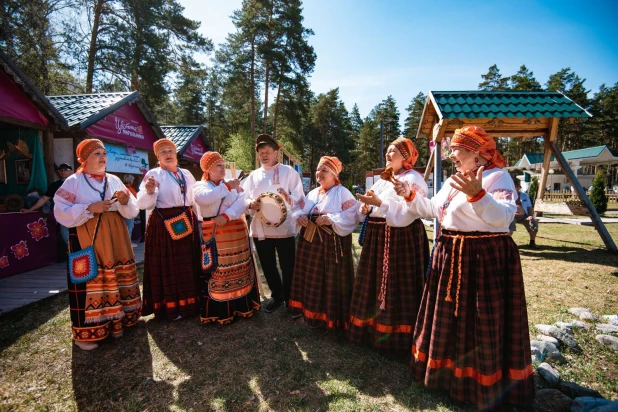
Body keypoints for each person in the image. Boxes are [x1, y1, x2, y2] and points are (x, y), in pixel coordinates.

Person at [391, 126, 534, 410]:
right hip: (450, 252)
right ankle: (446, 378)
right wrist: (410, 195)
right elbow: (434, 209)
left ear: (475, 151)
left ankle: (479, 384)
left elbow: (504, 217)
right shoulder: (454, 180)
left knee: (478, 320)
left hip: (483, 258)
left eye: (455, 150)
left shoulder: (497, 177)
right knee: (448, 319)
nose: (450, 155)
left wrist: (479, 195)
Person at [53, 139, 141, 350]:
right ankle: (88, 334)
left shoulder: (114, 180)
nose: (102, 157)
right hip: (87, 236)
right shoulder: (73, 181)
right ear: (84, 159)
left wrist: (126, 201)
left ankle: (120, 322)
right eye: (96, 154)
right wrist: (90, 208)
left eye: (104, 153)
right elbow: (59, 211)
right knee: (90, 278)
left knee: (117, 276)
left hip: (115, 235)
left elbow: (133, 210)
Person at [350, 137, 429, 350]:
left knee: (397, 283)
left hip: (399, 238)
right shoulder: (383, 179)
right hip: (378, 237)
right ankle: (370, 329)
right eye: (387, 151)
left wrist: (380, 204)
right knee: (373, 280)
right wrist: (366, 208)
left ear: (405, 156)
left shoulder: (413, 178)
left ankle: (397, 335)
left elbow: (410, 209)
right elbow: (371, 204)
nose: (387, 155)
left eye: (392, 151)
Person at [288, 156, 357, 331]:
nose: (319, 173)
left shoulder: (342, 192)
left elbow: (353, 215)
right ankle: (309, 311)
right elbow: (297, 209)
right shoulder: (312, 193)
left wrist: (331, 218)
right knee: (311, 276)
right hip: (310, 242)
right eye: (318, 170)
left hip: (330, 243)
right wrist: (300, 217)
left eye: (324, 170)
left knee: (329, 279)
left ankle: (329, 317)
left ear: (334, 175)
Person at [193, 152, 261, 324]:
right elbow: (204, 199)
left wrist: (228, 215)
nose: (223, 168)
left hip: (236, 231)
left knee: (239, 265)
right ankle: (221, 309)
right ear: (208, 169)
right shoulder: (201, 186)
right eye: (218, 165)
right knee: (218, 267)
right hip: (215, 231)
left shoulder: (231, 186)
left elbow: (243, 201)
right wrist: (227, 188)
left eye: (223, 165)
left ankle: (242, 305)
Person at [137, 138, 201, 321]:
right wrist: (149, 191)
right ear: (158, 157)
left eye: (170, 151)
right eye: (163, 152)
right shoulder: (153, 174)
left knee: (188, 262)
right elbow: (142, 203)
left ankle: (191, 304)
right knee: (169, 265)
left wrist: (200, 221)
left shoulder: (187, 174)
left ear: (176, 153)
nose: (167, 154)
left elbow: (194, 199)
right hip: (164, 224)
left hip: (187, 220)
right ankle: (172, 308)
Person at [242, 133, 304, 313]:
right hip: (261, 227)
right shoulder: (253, 176)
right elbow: (243, 198)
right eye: (261, 152)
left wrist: (288, 197)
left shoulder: (289, 172)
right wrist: (249, 204)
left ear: (276, 152)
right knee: (267, 264)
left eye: (268, 151)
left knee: (288, 265)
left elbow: (300, 198)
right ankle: (277, 296)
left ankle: (292, 301)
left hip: (285, 227)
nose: (264, 154)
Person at [21, 163, 73, 246]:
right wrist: (30, 210)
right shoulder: (54, 186)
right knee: (66, 238)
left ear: (71, 171)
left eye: (66, 170)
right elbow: (44, 199)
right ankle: (74, 257)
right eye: (61, 170)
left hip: (78, 214)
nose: (63, 172)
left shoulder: (77, 183)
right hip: (63, 215)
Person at [509, 179, 539, 248]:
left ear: (519, 187)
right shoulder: (508, 195)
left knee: (533, 223)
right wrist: (513, 213)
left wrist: (531, 216)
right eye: (514, 186)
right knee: (510, 226)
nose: (516, 187)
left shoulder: (524, 195)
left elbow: (529, 207)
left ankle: (532, 242)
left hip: (523, 216)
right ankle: (508, 244)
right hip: (511, 215)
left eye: (517, 186)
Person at [123, 174, 138, 247]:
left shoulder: (122, 187)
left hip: (123, 211)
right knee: (129, 227)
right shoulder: (130, 189)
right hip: (130, 211)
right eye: (132, 180)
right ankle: (128, 244)